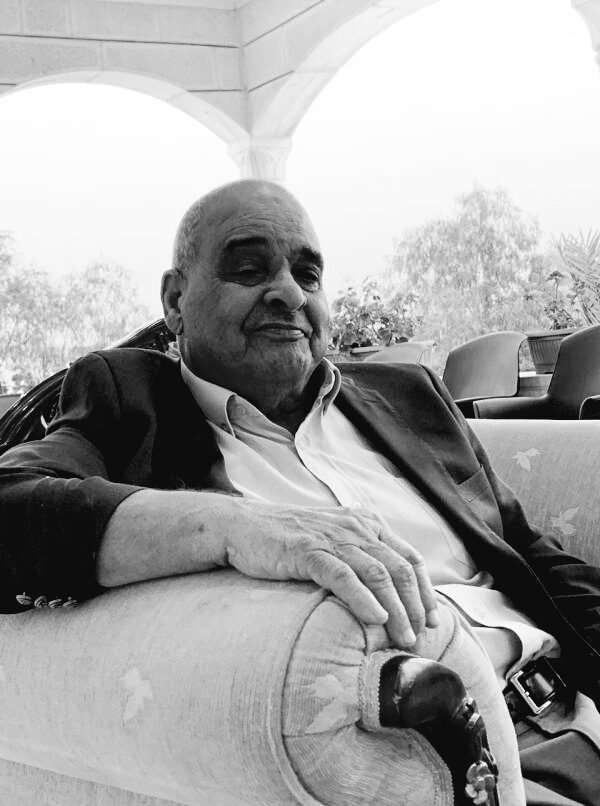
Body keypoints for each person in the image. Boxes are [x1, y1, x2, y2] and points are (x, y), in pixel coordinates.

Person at [1, 179, 599, 804]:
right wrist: (238, 529)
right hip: (451, 761)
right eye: (248, 268)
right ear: (176, 301)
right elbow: (10, 510)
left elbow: (530, 552)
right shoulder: (131, 402)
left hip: (578, 705)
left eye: (308, 274)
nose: (288, 292)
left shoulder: (411, 394)